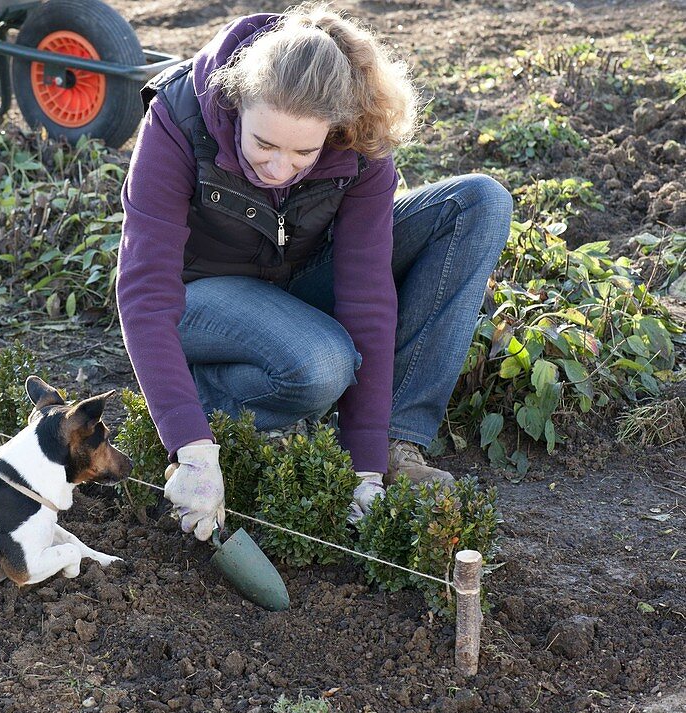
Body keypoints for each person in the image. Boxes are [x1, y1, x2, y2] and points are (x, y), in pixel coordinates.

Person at [115, 3, 513, 541]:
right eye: (263, 144)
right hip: (199, 299)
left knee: (477, 203)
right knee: (322, 364)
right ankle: (196, 397)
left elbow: (367, 299)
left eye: (304, 151)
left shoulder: (359, 140)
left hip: (296, 283)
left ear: (335, 128)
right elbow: (145, 291)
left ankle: (396, 442)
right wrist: (192, 448)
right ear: (237, 101)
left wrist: (363, 467)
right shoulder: (179, 118)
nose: (279, 169)